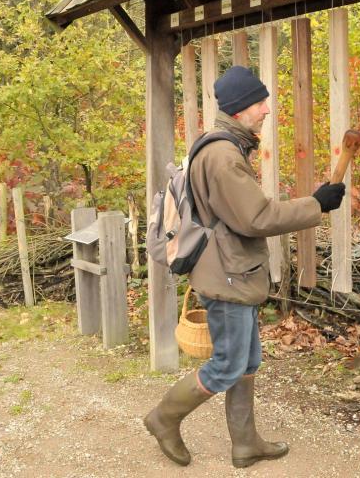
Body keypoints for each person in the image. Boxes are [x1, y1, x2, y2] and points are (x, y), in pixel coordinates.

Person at [144, 66, 345, 468]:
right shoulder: (223, 157)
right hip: (228, 276)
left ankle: (246, 443)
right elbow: (256, 218)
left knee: (246, 361)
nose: (267, 109)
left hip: (233, 271)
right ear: (238, 109)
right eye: (260, 102)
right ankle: (163, 419)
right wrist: (316, 203)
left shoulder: (224, 147)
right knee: (227, 365)